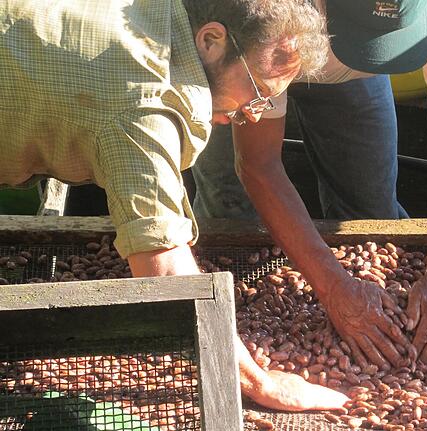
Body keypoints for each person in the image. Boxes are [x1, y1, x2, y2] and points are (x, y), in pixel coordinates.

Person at [0, 0, 348, 411]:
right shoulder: (143, 105)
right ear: (212, 40)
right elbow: (164, 268)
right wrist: (259, 382)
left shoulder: (157, 13)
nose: (254, 118)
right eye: (256, 95)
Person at [192, 0, 427, 369]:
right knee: (230, 212)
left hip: (350, 77)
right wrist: (333, 288)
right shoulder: (267, 13)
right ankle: (221, 336)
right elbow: (258, 164)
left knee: (372, 211)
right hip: (256, 51)